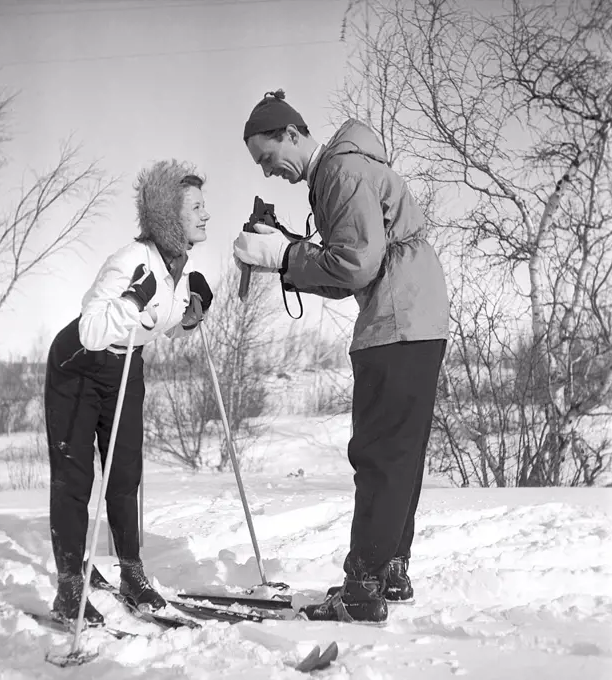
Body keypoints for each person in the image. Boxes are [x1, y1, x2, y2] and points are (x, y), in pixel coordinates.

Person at [234, 90, 449, 623]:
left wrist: (284, 255)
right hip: (416, 316)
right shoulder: (348, 168)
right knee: (400, 454)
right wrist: (284, 251)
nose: (268, 172)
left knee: (378, 454)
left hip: (396, 322)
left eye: (266, 157)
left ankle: (361, 586)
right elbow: (350, 267)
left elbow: (353, 265)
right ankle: (389, 569)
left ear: (290, 134)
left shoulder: (338, 170)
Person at [45, 159, 213, 626]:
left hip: (126, 365)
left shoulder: (181, 264)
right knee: (75, 478)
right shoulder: (128, 262)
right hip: (78, 365)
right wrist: (133, 298)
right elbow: (92, 329)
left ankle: (132, 573)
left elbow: (163, 328)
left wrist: (191, 315)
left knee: (125, 475)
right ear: (167, 214)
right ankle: (69, 587)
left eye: (205, 206)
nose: (205, 215)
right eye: (196, 207)